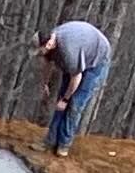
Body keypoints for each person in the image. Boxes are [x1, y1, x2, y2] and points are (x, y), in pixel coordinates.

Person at [38, 19, 111, 156]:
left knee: (75, 103)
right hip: (81, 53)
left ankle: (63, 145)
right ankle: (50, 141)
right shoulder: (52, 40)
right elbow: (47, 63)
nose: (39, 53)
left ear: (48, 44)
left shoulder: (69, 52)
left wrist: (65, 100)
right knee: (61, 101)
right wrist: (45, 83)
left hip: (96, 60)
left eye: (40, 50)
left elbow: (76, 77)